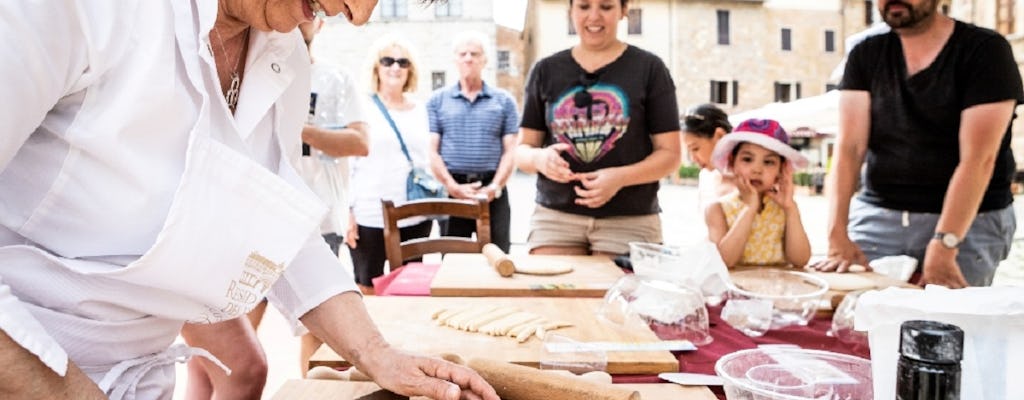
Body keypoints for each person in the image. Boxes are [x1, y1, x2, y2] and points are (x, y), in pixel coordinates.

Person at [0, 2, 497, 400]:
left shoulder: (283, 52)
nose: (359, 13)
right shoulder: (80, 10)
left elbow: (277, 219)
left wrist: (377, 353)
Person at [179, 19, 372, 399]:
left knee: (286, 345)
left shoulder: (315, 71)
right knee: (229, 358)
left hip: (302, 220)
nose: (359, 14)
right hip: (224, 234)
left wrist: (375, 351)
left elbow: (357, 143)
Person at [811, 0, 1023, 288]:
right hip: (880, 213)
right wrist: (837, 233)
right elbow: (849, 149)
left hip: (972, 220)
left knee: (949, 324)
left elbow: (979, 159)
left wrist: (946, 242)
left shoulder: (985, 50)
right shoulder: (866, 53)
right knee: (858, 320)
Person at [515, 0, 682, 257]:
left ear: (623, 11)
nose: (594, 16)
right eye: (584, 6)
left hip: (630, 220)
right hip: (555, 218)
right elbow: (523, 150)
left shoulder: (651, 69)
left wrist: (620, 178)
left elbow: (670, 155)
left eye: (606, 7)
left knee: (620, 296)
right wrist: (540, 158)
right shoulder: (545, 71)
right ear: (571, 11)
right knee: (552, 294)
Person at [347, 36, 434, 293]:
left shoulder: (421, 110)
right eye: (388, 61)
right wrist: (348, 212)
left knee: (408, 287)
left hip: (413, 212)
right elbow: (348, 162)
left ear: (410, 70)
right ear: (377, 68)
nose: (395, 67)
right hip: (370, 212)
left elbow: (425, 159)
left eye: (402, 62)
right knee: (368, 285)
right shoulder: (361, 107)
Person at [427, 31, 519, 253]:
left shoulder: (504, 101)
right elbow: (432, 151)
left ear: (485, 60)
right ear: (455, 59)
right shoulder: (437, 101)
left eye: (475, 54)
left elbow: (510, 151)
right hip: (453, 191)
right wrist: (452, 187)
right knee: (452, 260)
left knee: (498, 257)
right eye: (463, 54)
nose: (469, 58)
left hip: (492, 191)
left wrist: (495, 187)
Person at [705, 119, 812, 268]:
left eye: (768, 162)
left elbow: (800, 260)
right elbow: (724, 261)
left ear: (781, 170)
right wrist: (750, 208)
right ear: (732, 162)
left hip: (777, 287)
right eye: (747, 159)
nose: (757, 169)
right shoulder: (717, 209)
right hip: (736, 288)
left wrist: (790, 208)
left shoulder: (784, 209)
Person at [681, 103, 735, 210]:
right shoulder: (706, 178)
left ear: (719, 135)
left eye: (695, 149)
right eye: (689, 152)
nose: (693, 159)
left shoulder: (751, 176)